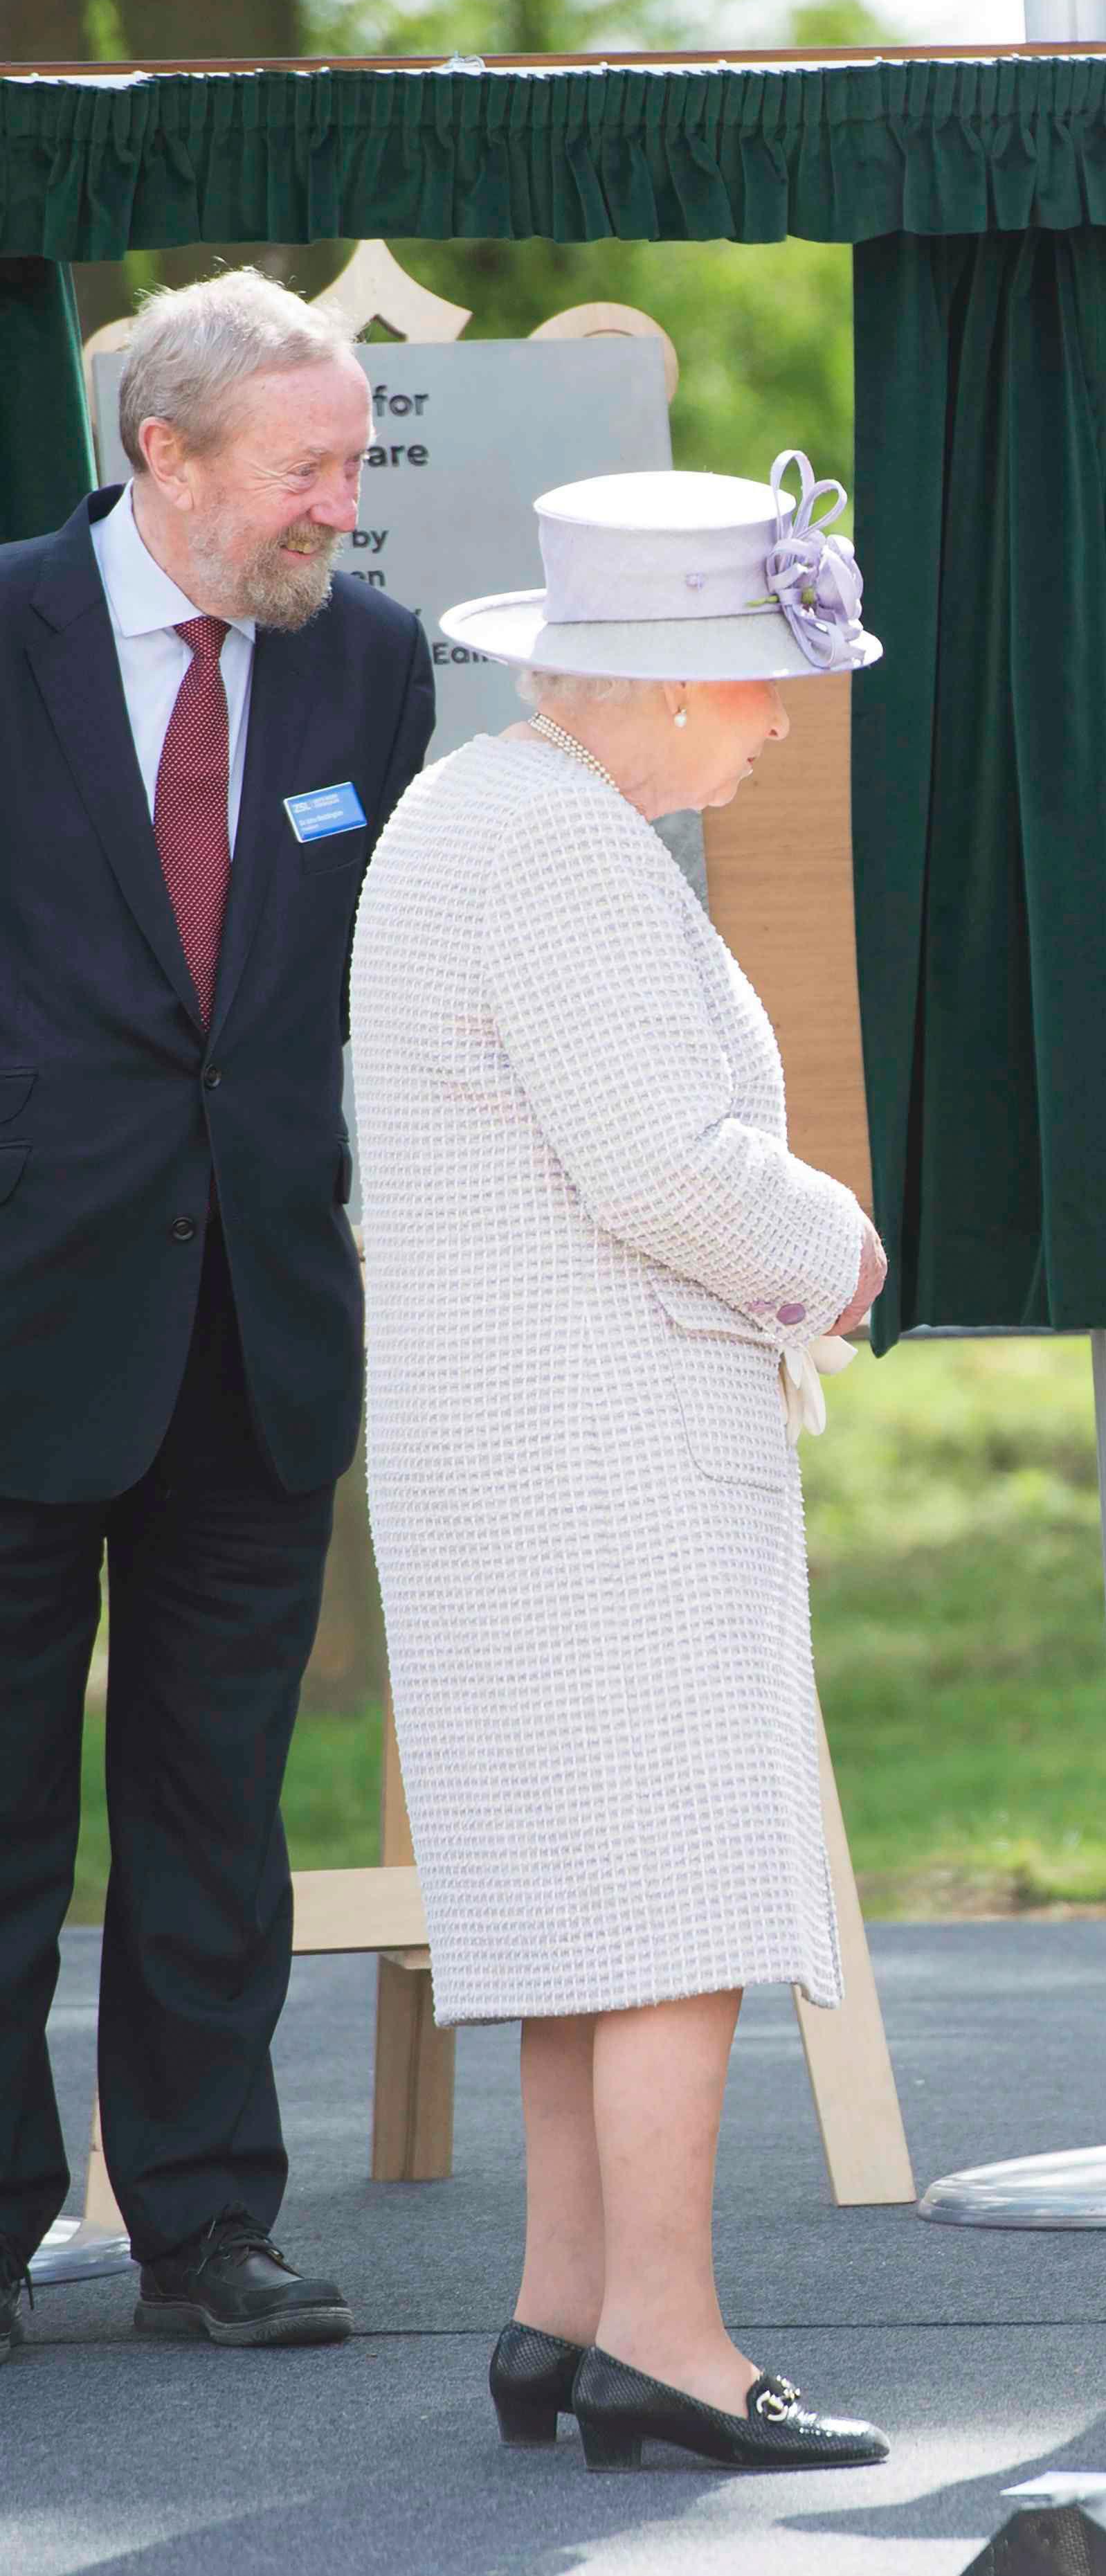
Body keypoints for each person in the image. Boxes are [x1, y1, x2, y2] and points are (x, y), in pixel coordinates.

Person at [350, 460, 891, 2470]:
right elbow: (661, 1160)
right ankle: (664, 2330)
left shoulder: (468, 811)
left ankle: (566, 2302)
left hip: (518, 1437)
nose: (778, 717)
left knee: (594, 1884)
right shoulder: (563, 848)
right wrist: (843, 1247)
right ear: (669, 682)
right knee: (672, 1888)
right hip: (601, 1442)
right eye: (766, 680)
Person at [0, 270, 433, 2363]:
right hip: (16, 1313)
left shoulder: (371, 668)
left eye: (355, 462)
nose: (343, 506)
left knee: (215, 1806)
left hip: (258, 1327)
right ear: (162, 455)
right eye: (311, 468)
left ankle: (207, 2221)